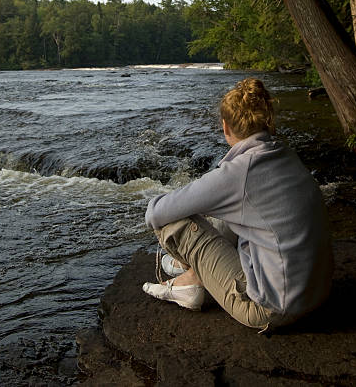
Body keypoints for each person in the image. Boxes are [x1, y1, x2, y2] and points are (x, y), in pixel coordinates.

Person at [143, 78, 333, 331]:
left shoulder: (238, 173)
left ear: (225, 127)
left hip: (269, 310)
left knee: (175, 222)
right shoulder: (285, 154)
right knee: (232, 212)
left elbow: (155, 213)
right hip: (316, 294)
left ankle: (188, 278)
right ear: (268, 121)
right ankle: (189, 275)